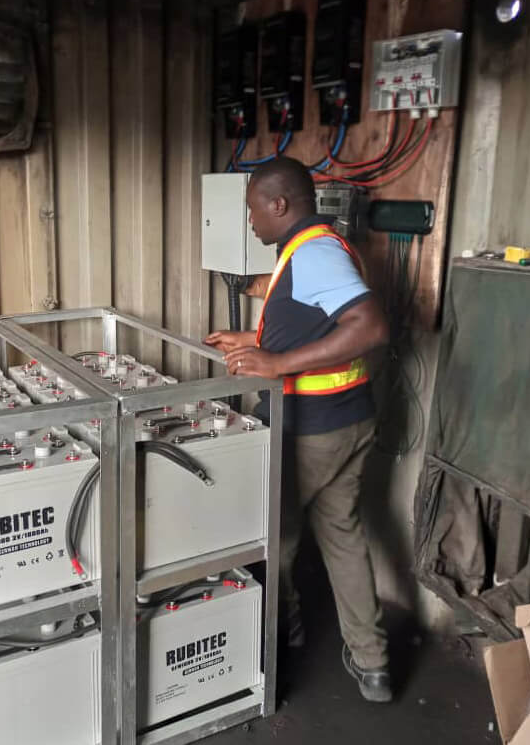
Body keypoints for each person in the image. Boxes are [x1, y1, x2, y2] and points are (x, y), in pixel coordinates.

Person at [204, 156, 393, 703]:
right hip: (348, 420)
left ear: (279, 205)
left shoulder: (312, 254)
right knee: (343, 536)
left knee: (276, 536)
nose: (250, 224)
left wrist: (275, 365)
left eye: (253, 212)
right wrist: (252, 344)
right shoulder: (314, 249)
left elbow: (369, 326)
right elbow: (311, 321)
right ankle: (374, 665)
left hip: (311, 430)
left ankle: (278, 642)